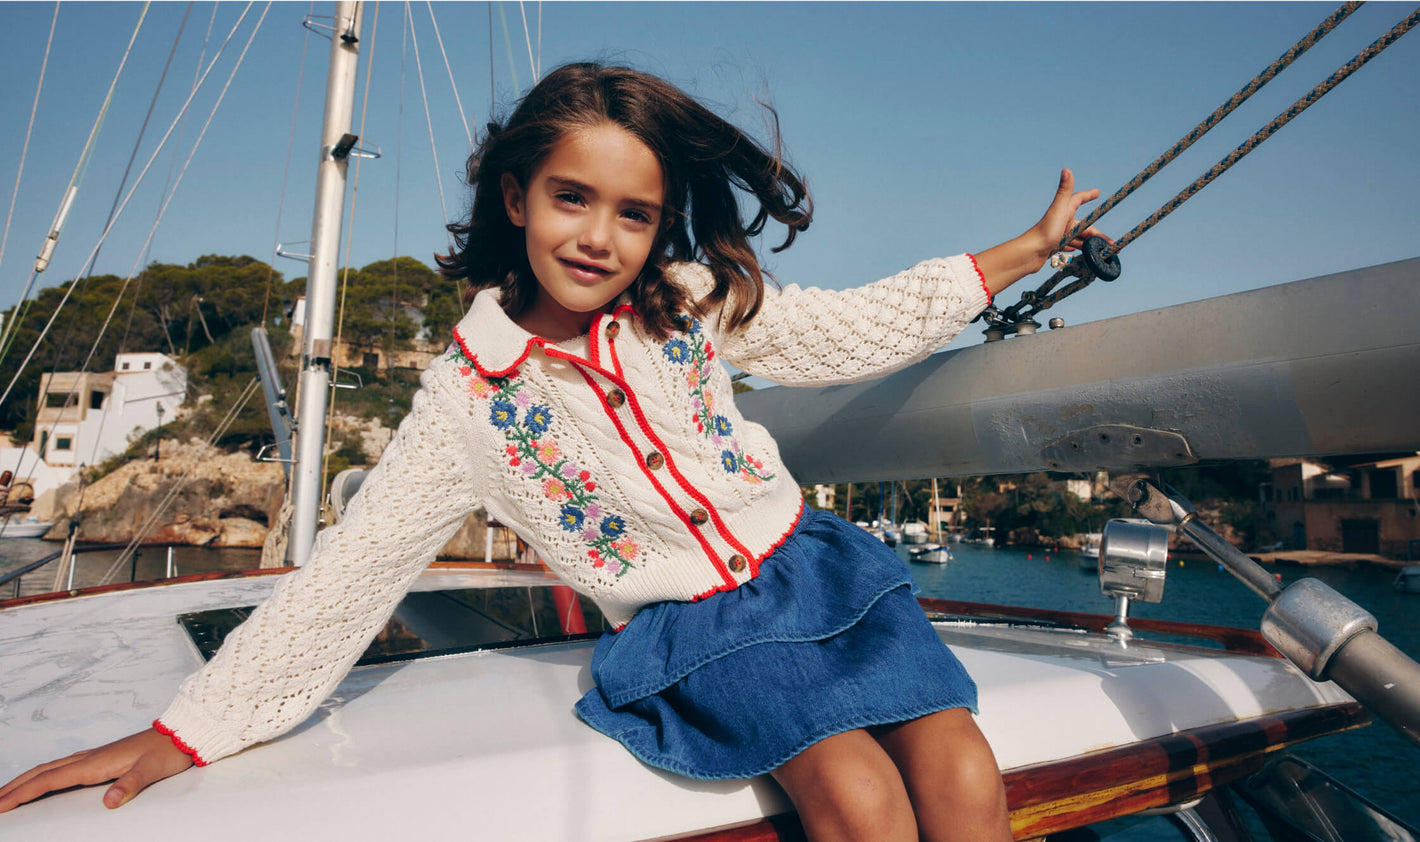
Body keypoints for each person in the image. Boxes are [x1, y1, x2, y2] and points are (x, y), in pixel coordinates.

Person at [0, 63, 1107, 840]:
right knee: (862, 802)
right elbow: (351, 574)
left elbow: (853, 326)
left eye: (633, 212)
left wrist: (1018, 252)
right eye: (572, 198)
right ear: (517, 194)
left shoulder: (686, 299)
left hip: (816, 568)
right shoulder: (469, 398)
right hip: (703, 631)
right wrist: (180, 734)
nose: (599, 236)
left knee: (963, 769)